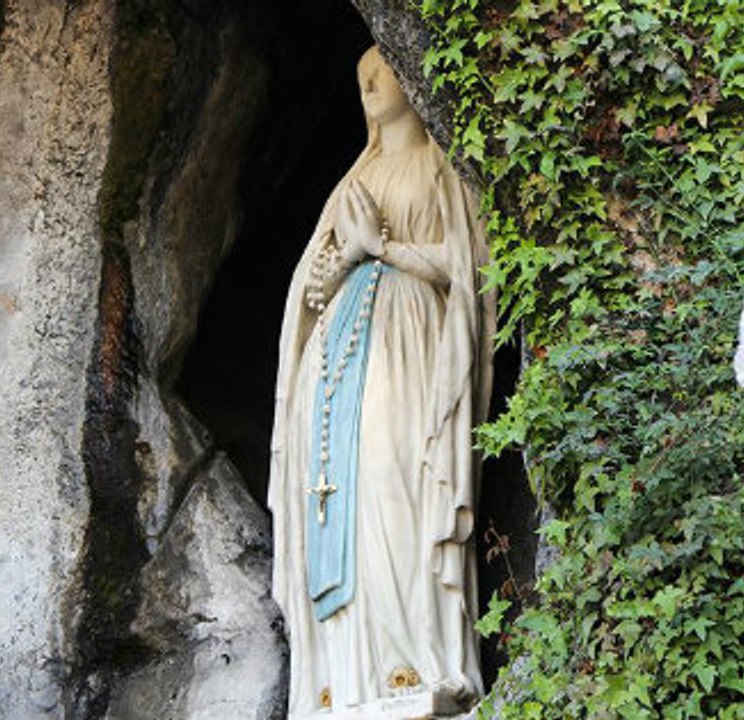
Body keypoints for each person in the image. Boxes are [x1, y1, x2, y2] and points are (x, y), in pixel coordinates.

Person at [267, 46, 493, 717]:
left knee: (398, 483)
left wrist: (383, 249)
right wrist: (339, 268)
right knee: (336, 499)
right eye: (361, 73)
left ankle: (417, 661)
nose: (369, 79)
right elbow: (311, 285)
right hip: (335, 363)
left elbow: (469, 266)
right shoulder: (350, 181)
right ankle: (346, 676)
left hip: (408, 343)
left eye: (383, 67)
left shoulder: (440, 166)